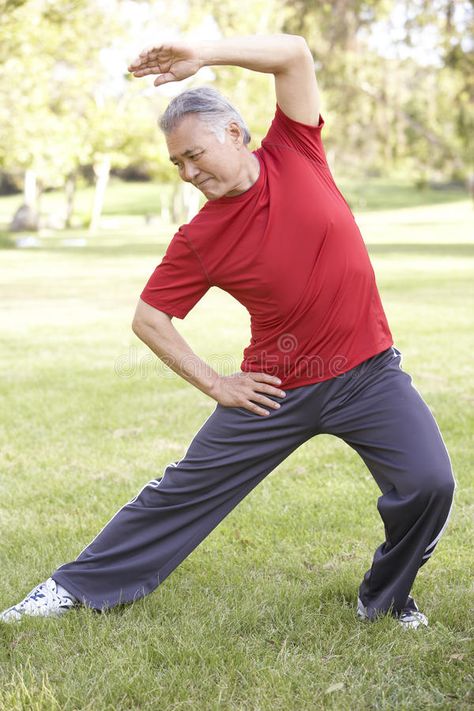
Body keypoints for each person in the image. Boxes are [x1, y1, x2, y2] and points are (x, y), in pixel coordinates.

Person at [1, 34, 455, 629]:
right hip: (276, 388)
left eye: (195, 155)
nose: (188, 172)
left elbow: (295, 53)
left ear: (235, 135)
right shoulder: (200, 237)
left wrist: (204, 55)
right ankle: (70, 588)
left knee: (428, 482)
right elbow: (149, 319)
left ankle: (387, 598)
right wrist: (217, 383)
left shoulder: (297, 150)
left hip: (369, 372)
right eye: (177, 164)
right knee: (182, 492)